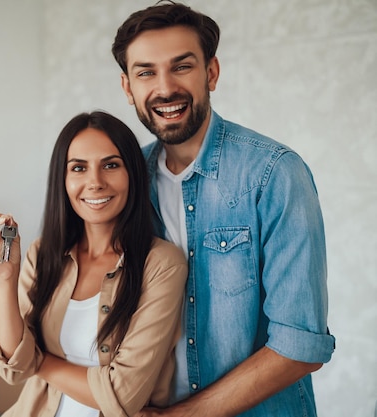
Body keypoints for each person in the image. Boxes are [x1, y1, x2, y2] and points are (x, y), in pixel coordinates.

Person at [110, 2, 335, 416]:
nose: (164, 88)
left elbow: (301, 346)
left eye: (182, 66)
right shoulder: (124, 182)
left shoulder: (275, 173)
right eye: (146, 72)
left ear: (211, 72)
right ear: (128, 88)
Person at [0, 111, 188, 416]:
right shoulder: (43, 253)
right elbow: (11, 367)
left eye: (110, 165)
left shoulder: (162, 265)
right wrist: (5, 277)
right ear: (64, 179)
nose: (95, 182)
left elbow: (122, 396)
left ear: (132, 174)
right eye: (79, 168)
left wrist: (37, 360)